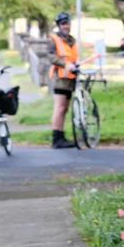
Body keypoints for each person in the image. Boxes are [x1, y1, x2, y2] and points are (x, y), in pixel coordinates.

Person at [47, 11, 79, 149]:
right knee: (59, 107)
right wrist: (66, 64)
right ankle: (56, 138)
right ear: (59, 25)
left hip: (70, 78)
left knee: (64, 108)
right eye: (63, 24)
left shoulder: (72, 40)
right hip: (59, 77)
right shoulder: (53, 39)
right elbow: (52, 57)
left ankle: (61, 135)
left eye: (67, 23)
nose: (66, 26)